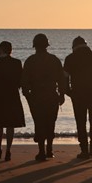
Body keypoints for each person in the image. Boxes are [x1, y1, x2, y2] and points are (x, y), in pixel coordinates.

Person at [21, 33, 66, 161]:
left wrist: (28, 96)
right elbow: (61, 79)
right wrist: (62, 94)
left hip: (36, 97)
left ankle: (41, 151)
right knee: (51, 122)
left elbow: (24, 82)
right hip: (52, 96)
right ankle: (49, 150)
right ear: (46, 45)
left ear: (35, 46)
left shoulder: (30, 61)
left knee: (39, 123)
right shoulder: (54, 60)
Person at [64, 36, 92, 159]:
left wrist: (67, 91)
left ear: (74, 47)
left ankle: (84, 150)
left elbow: (65, 77)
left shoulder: (70, 58)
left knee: (80, 122)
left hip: (78, 94)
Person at [0, 41, 25, 161]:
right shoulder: (17, 63)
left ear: (2, 50)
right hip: (13, 95)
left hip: (0, 95)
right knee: (10, 124)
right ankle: (8, 149)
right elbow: (21, 80)